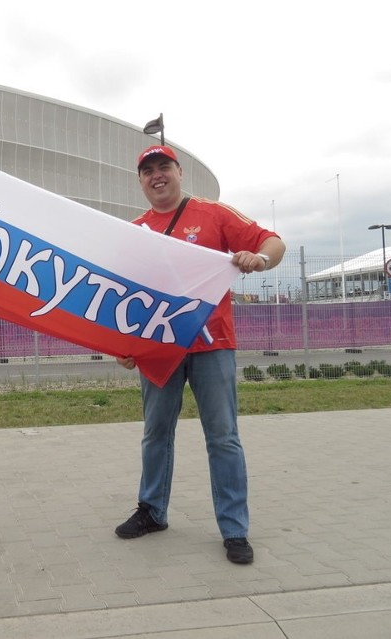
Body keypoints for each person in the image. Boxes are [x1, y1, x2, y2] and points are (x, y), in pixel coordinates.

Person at [114, 145, 286, 565]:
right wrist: (122, 345)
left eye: (164, 167)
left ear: (179, 172)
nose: (157, 176)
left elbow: (273, 242)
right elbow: (120, 293)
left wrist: (259, 259)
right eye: (148, 171)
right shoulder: (134, 231)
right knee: (156, 433)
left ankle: (234, 529)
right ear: (140, 181)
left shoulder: (214, 214)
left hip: (213, 344)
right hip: (158, 349)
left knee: (223, 437)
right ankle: (152, 510)